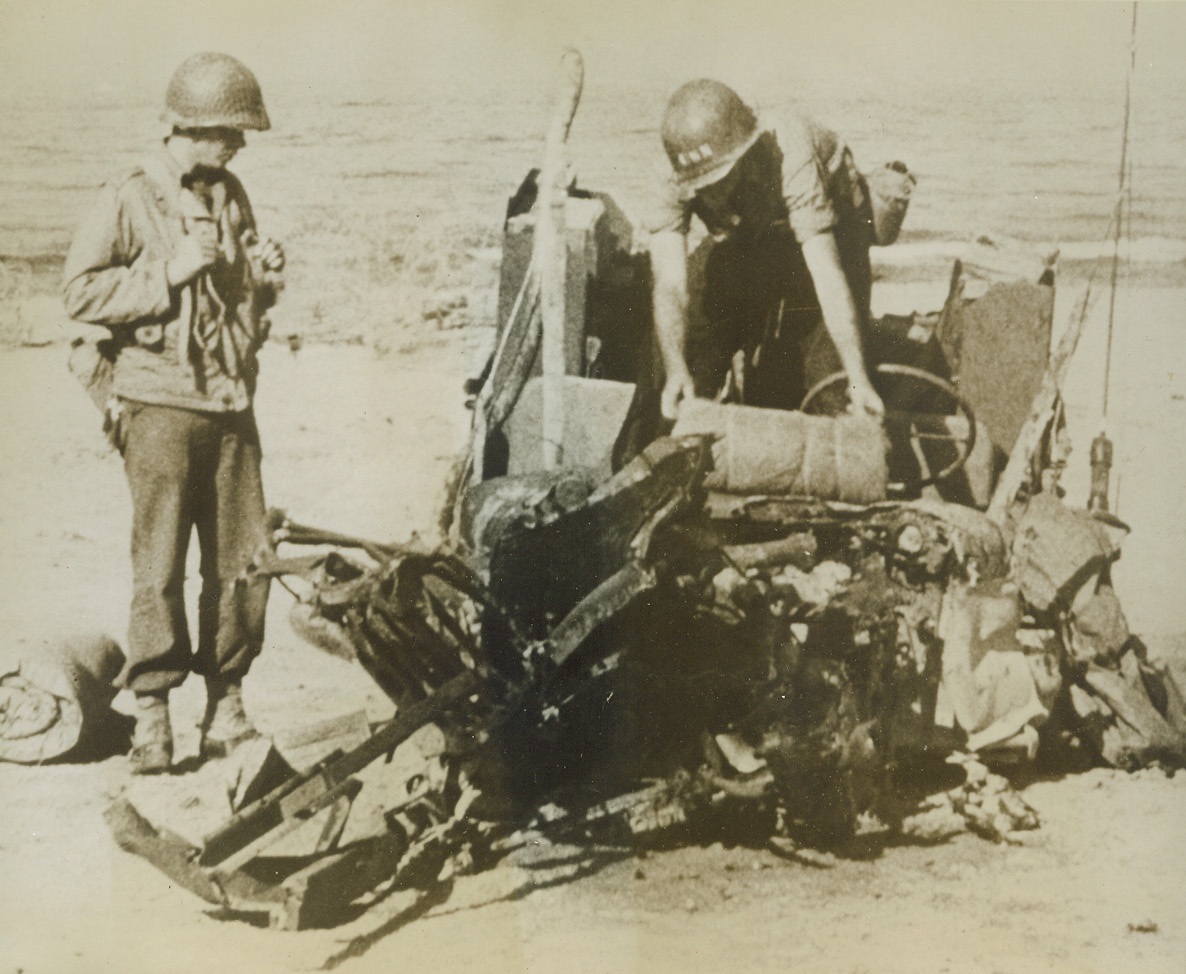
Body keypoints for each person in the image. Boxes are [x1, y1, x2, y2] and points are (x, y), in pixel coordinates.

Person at [62, 52, 285, 774]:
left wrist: (265, 278)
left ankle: (226, 709)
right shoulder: (130, 195)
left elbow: (235, 302)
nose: (240, 147)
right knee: (158, 565)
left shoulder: (231, 191)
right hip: (157, 404)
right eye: (232, 134)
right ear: (197, 127)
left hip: (229, 403)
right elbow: (81, 293)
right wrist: (170, 270)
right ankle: (154, 715)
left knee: (243, 562)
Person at [646, 78, 885, 421]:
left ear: (746, 155)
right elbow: (670, 285)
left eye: (720, 180)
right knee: (686, 350)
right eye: (702, 187)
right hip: (754, 228)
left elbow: (828, 274)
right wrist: (675, 370)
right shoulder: (670, 169)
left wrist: (858, 379)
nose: (711, 195)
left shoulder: (791, 151)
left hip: (831, 231)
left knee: (830, 383)